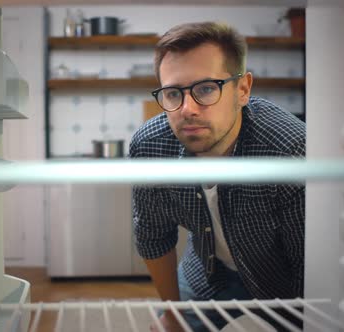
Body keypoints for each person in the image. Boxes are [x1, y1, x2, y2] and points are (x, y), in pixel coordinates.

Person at [129, 21, 305, 332]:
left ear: (242, 89)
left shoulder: (288, 149)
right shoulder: (150, 147)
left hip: (284, 279)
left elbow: (310, 262)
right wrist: (173, 315)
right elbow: (153, 236)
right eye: (173, 93)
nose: (188, 109)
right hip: (209, 270)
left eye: (207, 88)